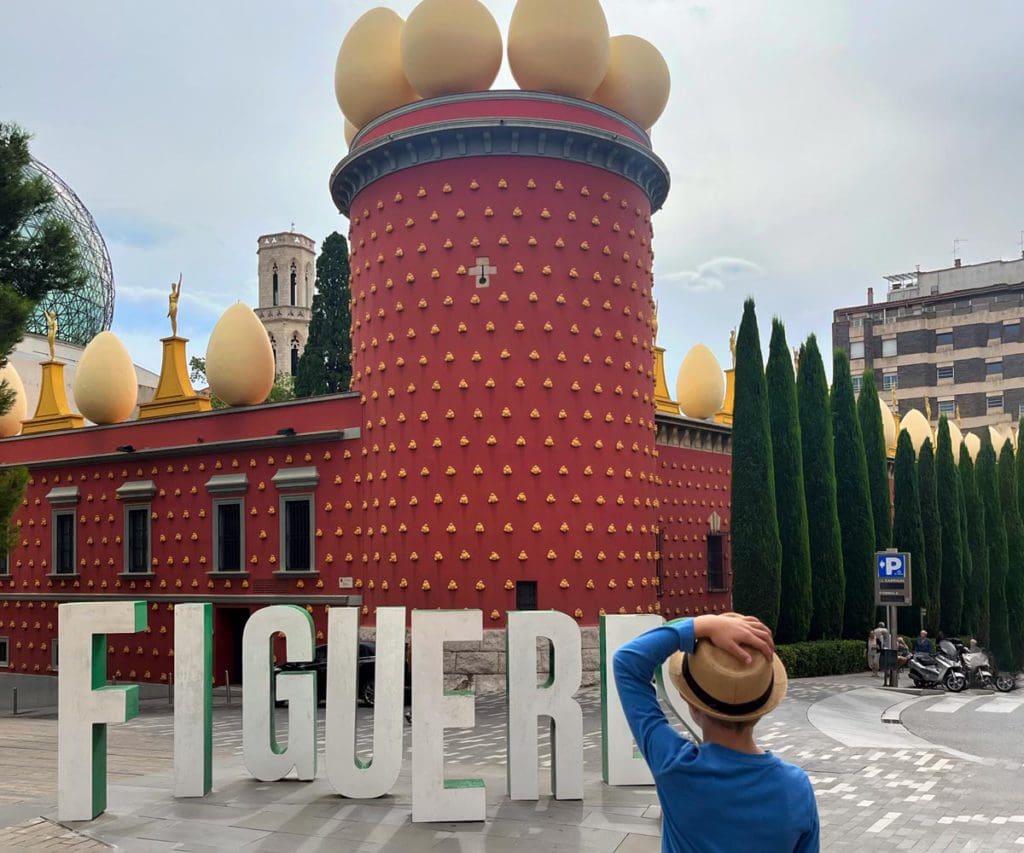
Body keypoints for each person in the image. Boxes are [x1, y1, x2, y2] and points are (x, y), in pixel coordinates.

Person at [614, 613, 820, 852]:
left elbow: (626, 663)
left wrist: (704, 625)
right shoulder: (796, 787)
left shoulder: (675, 768)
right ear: (763, 708)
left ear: (691, 704)